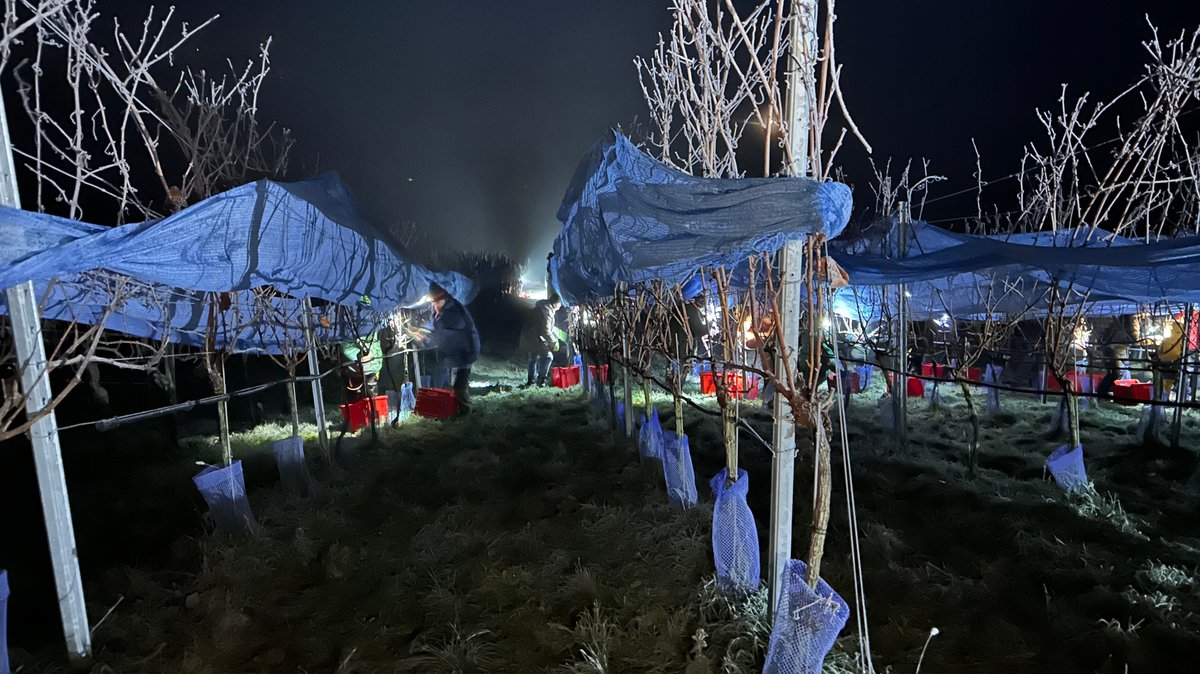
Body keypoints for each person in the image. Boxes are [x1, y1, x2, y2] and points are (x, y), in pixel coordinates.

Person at [428, 282, 480, 415]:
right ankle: (457, 411)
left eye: (436, 304)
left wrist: (428, 336)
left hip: (466, 352)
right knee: (455, 384)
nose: (434, 306)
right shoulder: (450, 308)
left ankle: (467, 413)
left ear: (443, 300)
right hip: (459, 352)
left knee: (459, 386)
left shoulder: (453, 312)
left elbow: (444, 332)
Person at [520, 292, 562, 387]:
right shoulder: (547, 311)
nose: (560, 306)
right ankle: (541, 380)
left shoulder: (543, 307)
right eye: (560, 304)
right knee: (548, 357)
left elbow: (547, 327)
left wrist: (555, 334)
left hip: (530, 336)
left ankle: (531, 380)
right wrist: (554, 342)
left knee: (533, 358)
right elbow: (545, 331)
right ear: (555, 303)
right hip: (535, 339)